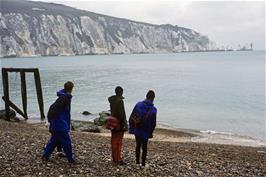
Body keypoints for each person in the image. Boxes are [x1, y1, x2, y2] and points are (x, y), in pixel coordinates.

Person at [42, 81, 75, 164]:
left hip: (56, 124)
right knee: (67, 143)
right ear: (71, 89)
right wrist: (63, 124)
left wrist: (50, 121)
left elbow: (53, 109)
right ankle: (71, 160)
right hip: (60, 125)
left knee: (54, 141)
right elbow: (60, 112)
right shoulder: (65, 98)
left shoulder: (62, 96)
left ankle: (45, 156)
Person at [129, 90, 157, 168]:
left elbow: (132, 116)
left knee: (138, 145)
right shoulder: (154, 109)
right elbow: (153, 123)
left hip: (137, 128)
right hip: (146, 131)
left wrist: (131, 128)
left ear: (146, 96)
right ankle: (143, 164)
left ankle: (137, 163)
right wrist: (151, 133)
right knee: (144, 147)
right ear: (153, 98)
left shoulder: (138, 104)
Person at [108, 86, 128, 165]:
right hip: (119, 123)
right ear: (121, 92)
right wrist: (125, 124)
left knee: (113, 140)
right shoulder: (120, 101)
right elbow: (122, 113)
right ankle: (118, 159)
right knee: (118, 142)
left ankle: (114, 158)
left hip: (112, 122)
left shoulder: (112, 100)